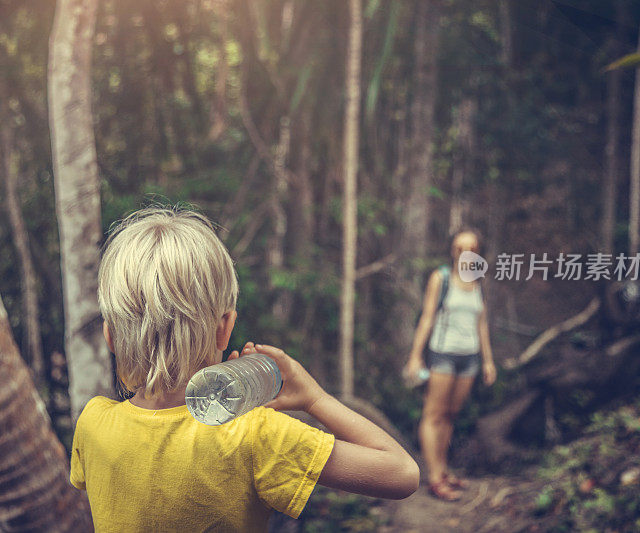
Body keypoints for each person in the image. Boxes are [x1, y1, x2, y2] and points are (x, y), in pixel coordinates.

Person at [70, 206, 419, 532]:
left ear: (110, 336)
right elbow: (402, 473)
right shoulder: (253, 434)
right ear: (225, 327)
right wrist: (315, 398)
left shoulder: (93, 423)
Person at [402, 229, 496, 501]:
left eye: (471, 248)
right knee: (434, 414)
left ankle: (443, 471)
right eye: (459, 248)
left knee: (451, 415)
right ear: (452, 251)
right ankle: (434, 478)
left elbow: (482, 323)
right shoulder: (441, 278)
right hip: (442, 354)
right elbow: (427, 318)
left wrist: (488, 360)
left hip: (470, 358)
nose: (464, 253)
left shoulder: (479, 280)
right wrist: (415, 356)